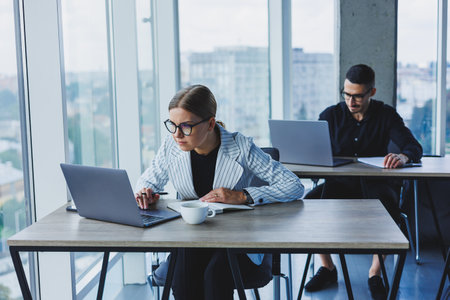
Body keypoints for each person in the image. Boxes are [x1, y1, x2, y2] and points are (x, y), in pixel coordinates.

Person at [134, 84, 304, 300]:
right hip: (192, 239)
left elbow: (294, 185)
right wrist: (145, 192)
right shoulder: (172, 146)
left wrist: (243, 195)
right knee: (184, 275)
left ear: (210, 123)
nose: (177, 134)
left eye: (186, 126)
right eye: (173, 125)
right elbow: (147, 180)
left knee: (216, 275)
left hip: (237, 241)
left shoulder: (241, 147)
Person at [304, 64, 423, 300]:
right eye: (347, 94)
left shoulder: (386, 115)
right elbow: (313, 150)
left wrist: (403, 155)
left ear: (372, 92)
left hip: (376, 187)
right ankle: (327, 267)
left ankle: (375, 273)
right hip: (338, 185)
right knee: (308, 205)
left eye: (358, 95)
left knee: (391, 210)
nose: (351, 101)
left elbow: (414, 147)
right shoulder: (330, 115)